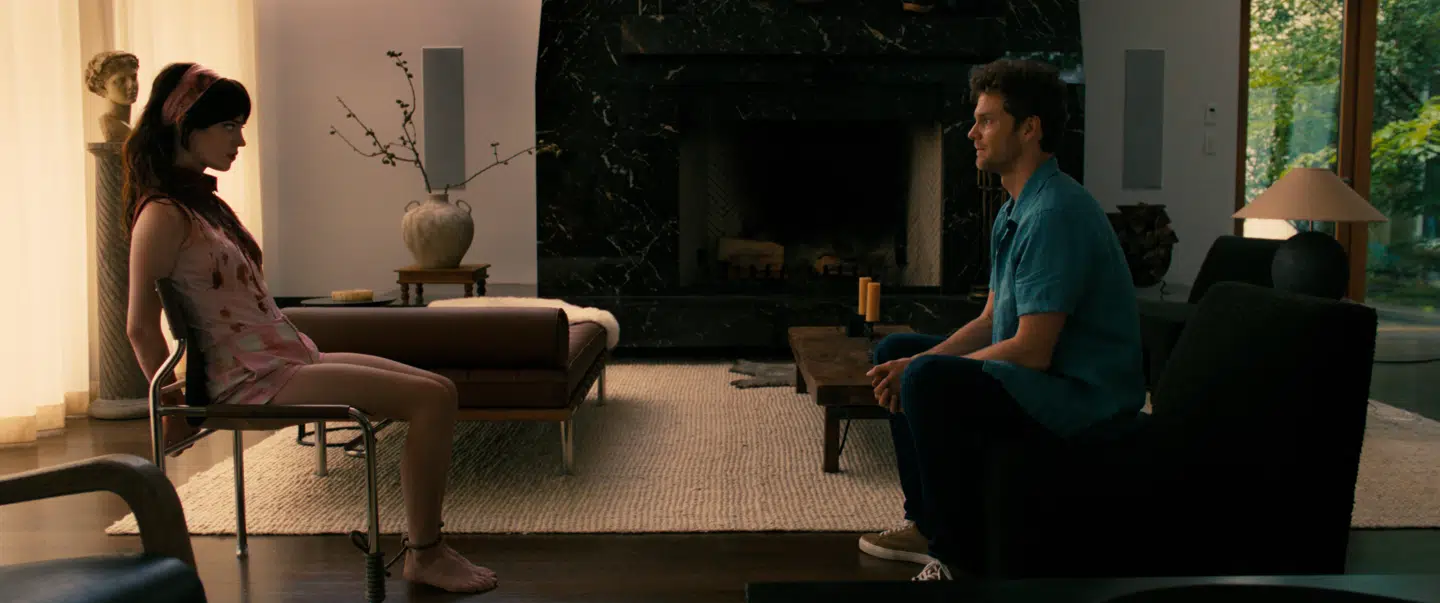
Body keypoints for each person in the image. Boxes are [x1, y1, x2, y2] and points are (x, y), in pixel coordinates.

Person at [122, 62, 497, 594]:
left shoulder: (202, 207)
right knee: (430, 401)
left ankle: (427, 546)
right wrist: (174, 404)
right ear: (185, 126)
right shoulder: (162, 215)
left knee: (441, 390)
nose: (240, 140)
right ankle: (425, 553)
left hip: (285, 358)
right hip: (249, 380)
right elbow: (139, 326)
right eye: (229, 126)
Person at [858, 58, 1146, 581]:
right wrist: (915, 360)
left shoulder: (1055, 213)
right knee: (896, 352)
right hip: (1041, 375)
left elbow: (1031, 350)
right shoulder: (1017, 208)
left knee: (922, 375)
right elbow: (994, 318)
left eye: (987, 120)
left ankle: (956, 558)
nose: (972, 133)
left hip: (1079, 396)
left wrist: (920, 370)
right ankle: (926, 523)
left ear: (1029, 128)